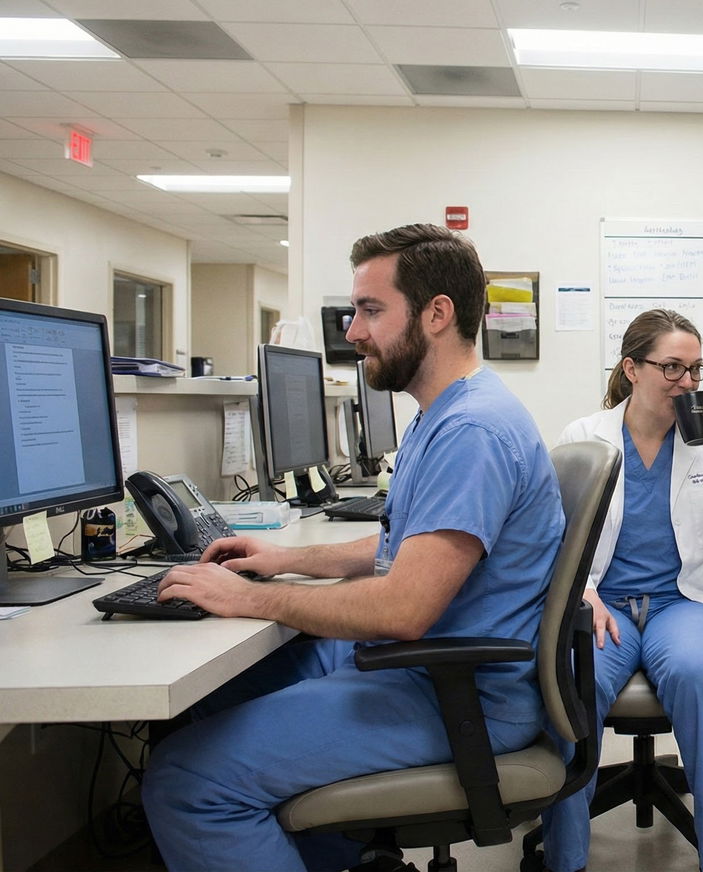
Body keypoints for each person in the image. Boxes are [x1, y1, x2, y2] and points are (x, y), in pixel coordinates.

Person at [142, 224, 567, 872]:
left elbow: (403, 608)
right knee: (203, 702)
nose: (353, 332)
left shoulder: (473, 431)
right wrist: (287, 560)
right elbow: (410, 545)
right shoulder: (444, 413)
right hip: (419, 668)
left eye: (371, 310)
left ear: (437, 314)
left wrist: (255, 600)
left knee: (186, 782)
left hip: (454, 694)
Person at [540, 309, 703, 872]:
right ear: (632, 368)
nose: (688, 382)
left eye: (696, 369)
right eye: (672, 367)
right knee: (575, 684)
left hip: (687, 601)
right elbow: (551, 536)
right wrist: (583, 592)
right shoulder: (585, 437)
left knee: (698, 674)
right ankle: (565, 857)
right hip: (605, 604)